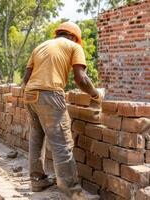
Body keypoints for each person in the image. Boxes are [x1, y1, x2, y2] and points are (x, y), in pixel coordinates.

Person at [21, 22, 102, 199]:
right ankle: (71, 191)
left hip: (30, 94)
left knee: (36, 138)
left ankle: (37, 180)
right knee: (62, 143)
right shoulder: (73, 46)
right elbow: (81, 79)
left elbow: (26, 77)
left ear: (58, 33)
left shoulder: (41, 46)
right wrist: (96, 95)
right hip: (50, 94)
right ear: (74, 37)